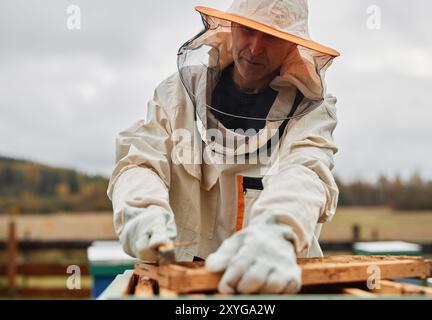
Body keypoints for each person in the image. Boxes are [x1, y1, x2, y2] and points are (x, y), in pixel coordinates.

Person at [107, 0, 340, 294]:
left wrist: (277, 230)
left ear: (291, 46)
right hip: (180, 283)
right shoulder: (176, 93)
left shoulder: (311, 111)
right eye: (248, 30)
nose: (255, 48)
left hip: (267, 284)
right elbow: (141, 160)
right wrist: (140, 207)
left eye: (271, 37)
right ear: (231, 28)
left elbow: (306, 172)